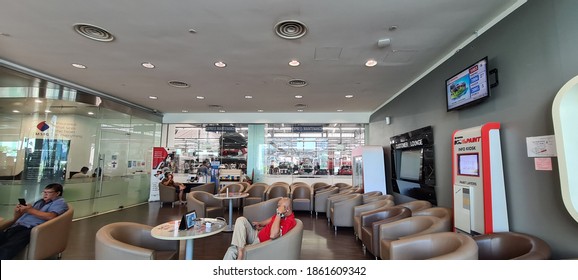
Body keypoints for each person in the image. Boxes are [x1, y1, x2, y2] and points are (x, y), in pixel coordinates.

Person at [0, 183, 68, 260]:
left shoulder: (59, 202)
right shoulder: (40, 202)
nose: (45, 194)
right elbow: (17, 219)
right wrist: (18, 212)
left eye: (48, 192)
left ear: (58, 193)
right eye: (44, 192)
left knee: (9, 246)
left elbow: (51, 216)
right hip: (18, 226)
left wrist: (30, 210)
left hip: (30, 229)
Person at [223, 197, 296, 260]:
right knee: (241, 220)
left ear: (287, 209)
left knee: (231, 250)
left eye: (279, 206)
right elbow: (271, 219)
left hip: (260, 243)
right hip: (256, 234)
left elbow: (273, 235)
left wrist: (279, 214)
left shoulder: (289, 222)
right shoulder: (281, 216)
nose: (277, 208)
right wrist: (260, 223)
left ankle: (240, 253)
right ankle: (240, 250)